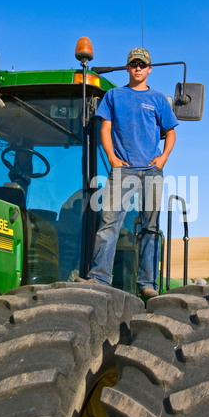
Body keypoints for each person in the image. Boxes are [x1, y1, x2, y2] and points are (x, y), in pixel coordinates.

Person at [78, 47, 178, 298]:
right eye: (134, 64)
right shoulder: (114, 96)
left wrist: (162, 158)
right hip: (123, 171)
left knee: (150, 227)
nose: (137, 68)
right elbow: (105, 128)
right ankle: (100, 277)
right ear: (127, 68)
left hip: (151, 172)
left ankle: (147, 285)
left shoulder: (158, 100)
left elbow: (171, 132)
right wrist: (112, 158)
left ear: (149, 69)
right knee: (109, 223)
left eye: (142, 64)